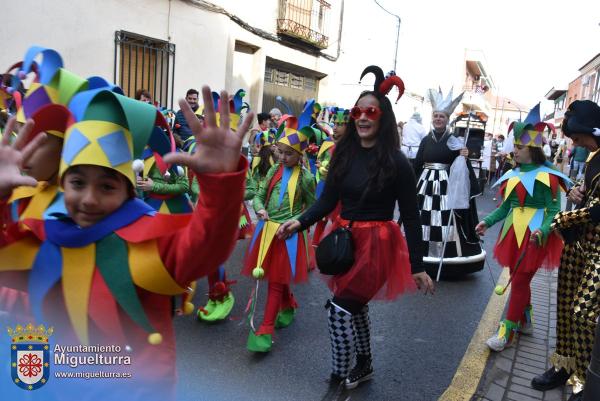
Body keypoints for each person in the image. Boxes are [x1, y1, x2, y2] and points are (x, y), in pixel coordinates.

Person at [0, 85, 252, 400]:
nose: (89, 200)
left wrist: (219, 183)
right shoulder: (44, 239)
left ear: (128, 192)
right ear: (63, 183)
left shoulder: (150, 242)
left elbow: (207, 245)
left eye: (107, 186)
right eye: (78, 183)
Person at [277, 66, 434, 389]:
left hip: (377, 245)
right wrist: (300, 221)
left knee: (339, 309)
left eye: (370, 111)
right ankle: (364, 364)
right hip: (346, 244)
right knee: (355, 305)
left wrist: (417, 265)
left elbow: (412, 215)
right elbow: (326, 201)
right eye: (357, 111)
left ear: (382, 117)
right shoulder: (343, 155)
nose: (362, 117)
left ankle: (338, 376)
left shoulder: (397, 162)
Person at [475, 121, 569, 351]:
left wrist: (544, 229)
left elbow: (555, 211)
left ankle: (507, 333)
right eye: (514, 146)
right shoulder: (511, 174)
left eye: (520, 146)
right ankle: (525, 320)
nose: (514, 150)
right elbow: (506, 207)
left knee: (518, 281)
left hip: (535, 235)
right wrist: (486, 222)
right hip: (513, 233)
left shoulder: (549, 177)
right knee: (520, 279)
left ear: (533, 149)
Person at [531, 100, 600, 401]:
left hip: (598, 252)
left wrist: (560, 218)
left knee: (583, 313)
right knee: (564, 309)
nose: (572, 140)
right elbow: (588, 198)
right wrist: (574, 193)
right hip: (577, 244)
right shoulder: (591, 158)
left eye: (575, 133)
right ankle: (563, 366)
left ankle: (581, 380)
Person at [242, 121, 316, 353]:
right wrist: (259, 208)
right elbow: (258, 195)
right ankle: (289, 304)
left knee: (275, 281)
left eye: (288, 154)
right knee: (275, 275)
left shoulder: (306, 178)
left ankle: (265, 328)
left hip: (288, 234)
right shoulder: (274, 170)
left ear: (299, 154)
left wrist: (296, 222)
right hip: (267, 230)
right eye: (280, 152)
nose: (282, 158)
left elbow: (312, 210)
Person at [413, 87, 485, 278]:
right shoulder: (425, 141)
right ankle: (417, 256)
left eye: (442, 116)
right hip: (425, 185)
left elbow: (461, 166)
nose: (438, 119)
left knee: (444, 220)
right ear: (432, 118)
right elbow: (418, 164)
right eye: (436, 115)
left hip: (446, 185)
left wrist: (464, 155)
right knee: (420, 219)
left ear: (447, 120)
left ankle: (447, 256)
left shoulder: (454, 141)